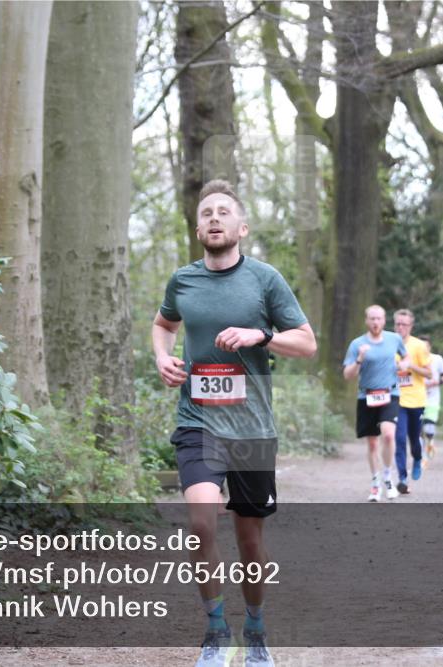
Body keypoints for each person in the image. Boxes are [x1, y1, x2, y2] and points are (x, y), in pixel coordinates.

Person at [153, 179, 316, 667]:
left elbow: (306, 343)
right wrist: (163, 357)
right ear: (198, 227)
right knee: (201, 523)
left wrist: (259, 335)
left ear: (241, 227)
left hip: (251, 430)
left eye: (224, 212)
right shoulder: (183, 281)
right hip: (197, 422)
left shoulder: (265, 280)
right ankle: (216, 631)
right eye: (207, 213)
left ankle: (257, 630)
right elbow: (163, 324)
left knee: (250, 541)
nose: (214, 218)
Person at [342, 305, 408, 501]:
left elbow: (406, 356)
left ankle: (388, 477)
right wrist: (360, 359)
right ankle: (375, 483)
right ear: (366, 320)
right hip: (367, 397)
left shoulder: (394, 339)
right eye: (372, 319)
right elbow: (347, 375)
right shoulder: (357, 344)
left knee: (388, 435)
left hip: (390, 393)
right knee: (372, 444)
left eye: (378, 319)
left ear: (384, 320)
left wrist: (404, 364)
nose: (375, 322)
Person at [393, 309, 432, 493]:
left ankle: (417, 458)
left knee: (414, 440)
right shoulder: (389, 343)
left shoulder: (418, 346)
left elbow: (428, 373)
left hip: (416, 400)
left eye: (404, 324)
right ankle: (402, 478)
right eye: (398, 324)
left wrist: (411, 366)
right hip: (396, 399)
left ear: (411, 326)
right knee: (399, 439)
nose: (401, 327)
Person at [418, 336, 443, 464]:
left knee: (429, 427)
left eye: (426, 346)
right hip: (416, 399)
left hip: (432, 399)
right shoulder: (413, 359)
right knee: (418, 430)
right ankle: (421, 457)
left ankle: (430, 442)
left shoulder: (437, 359)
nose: (424, 349)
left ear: (430, 347)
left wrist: (438, 382)